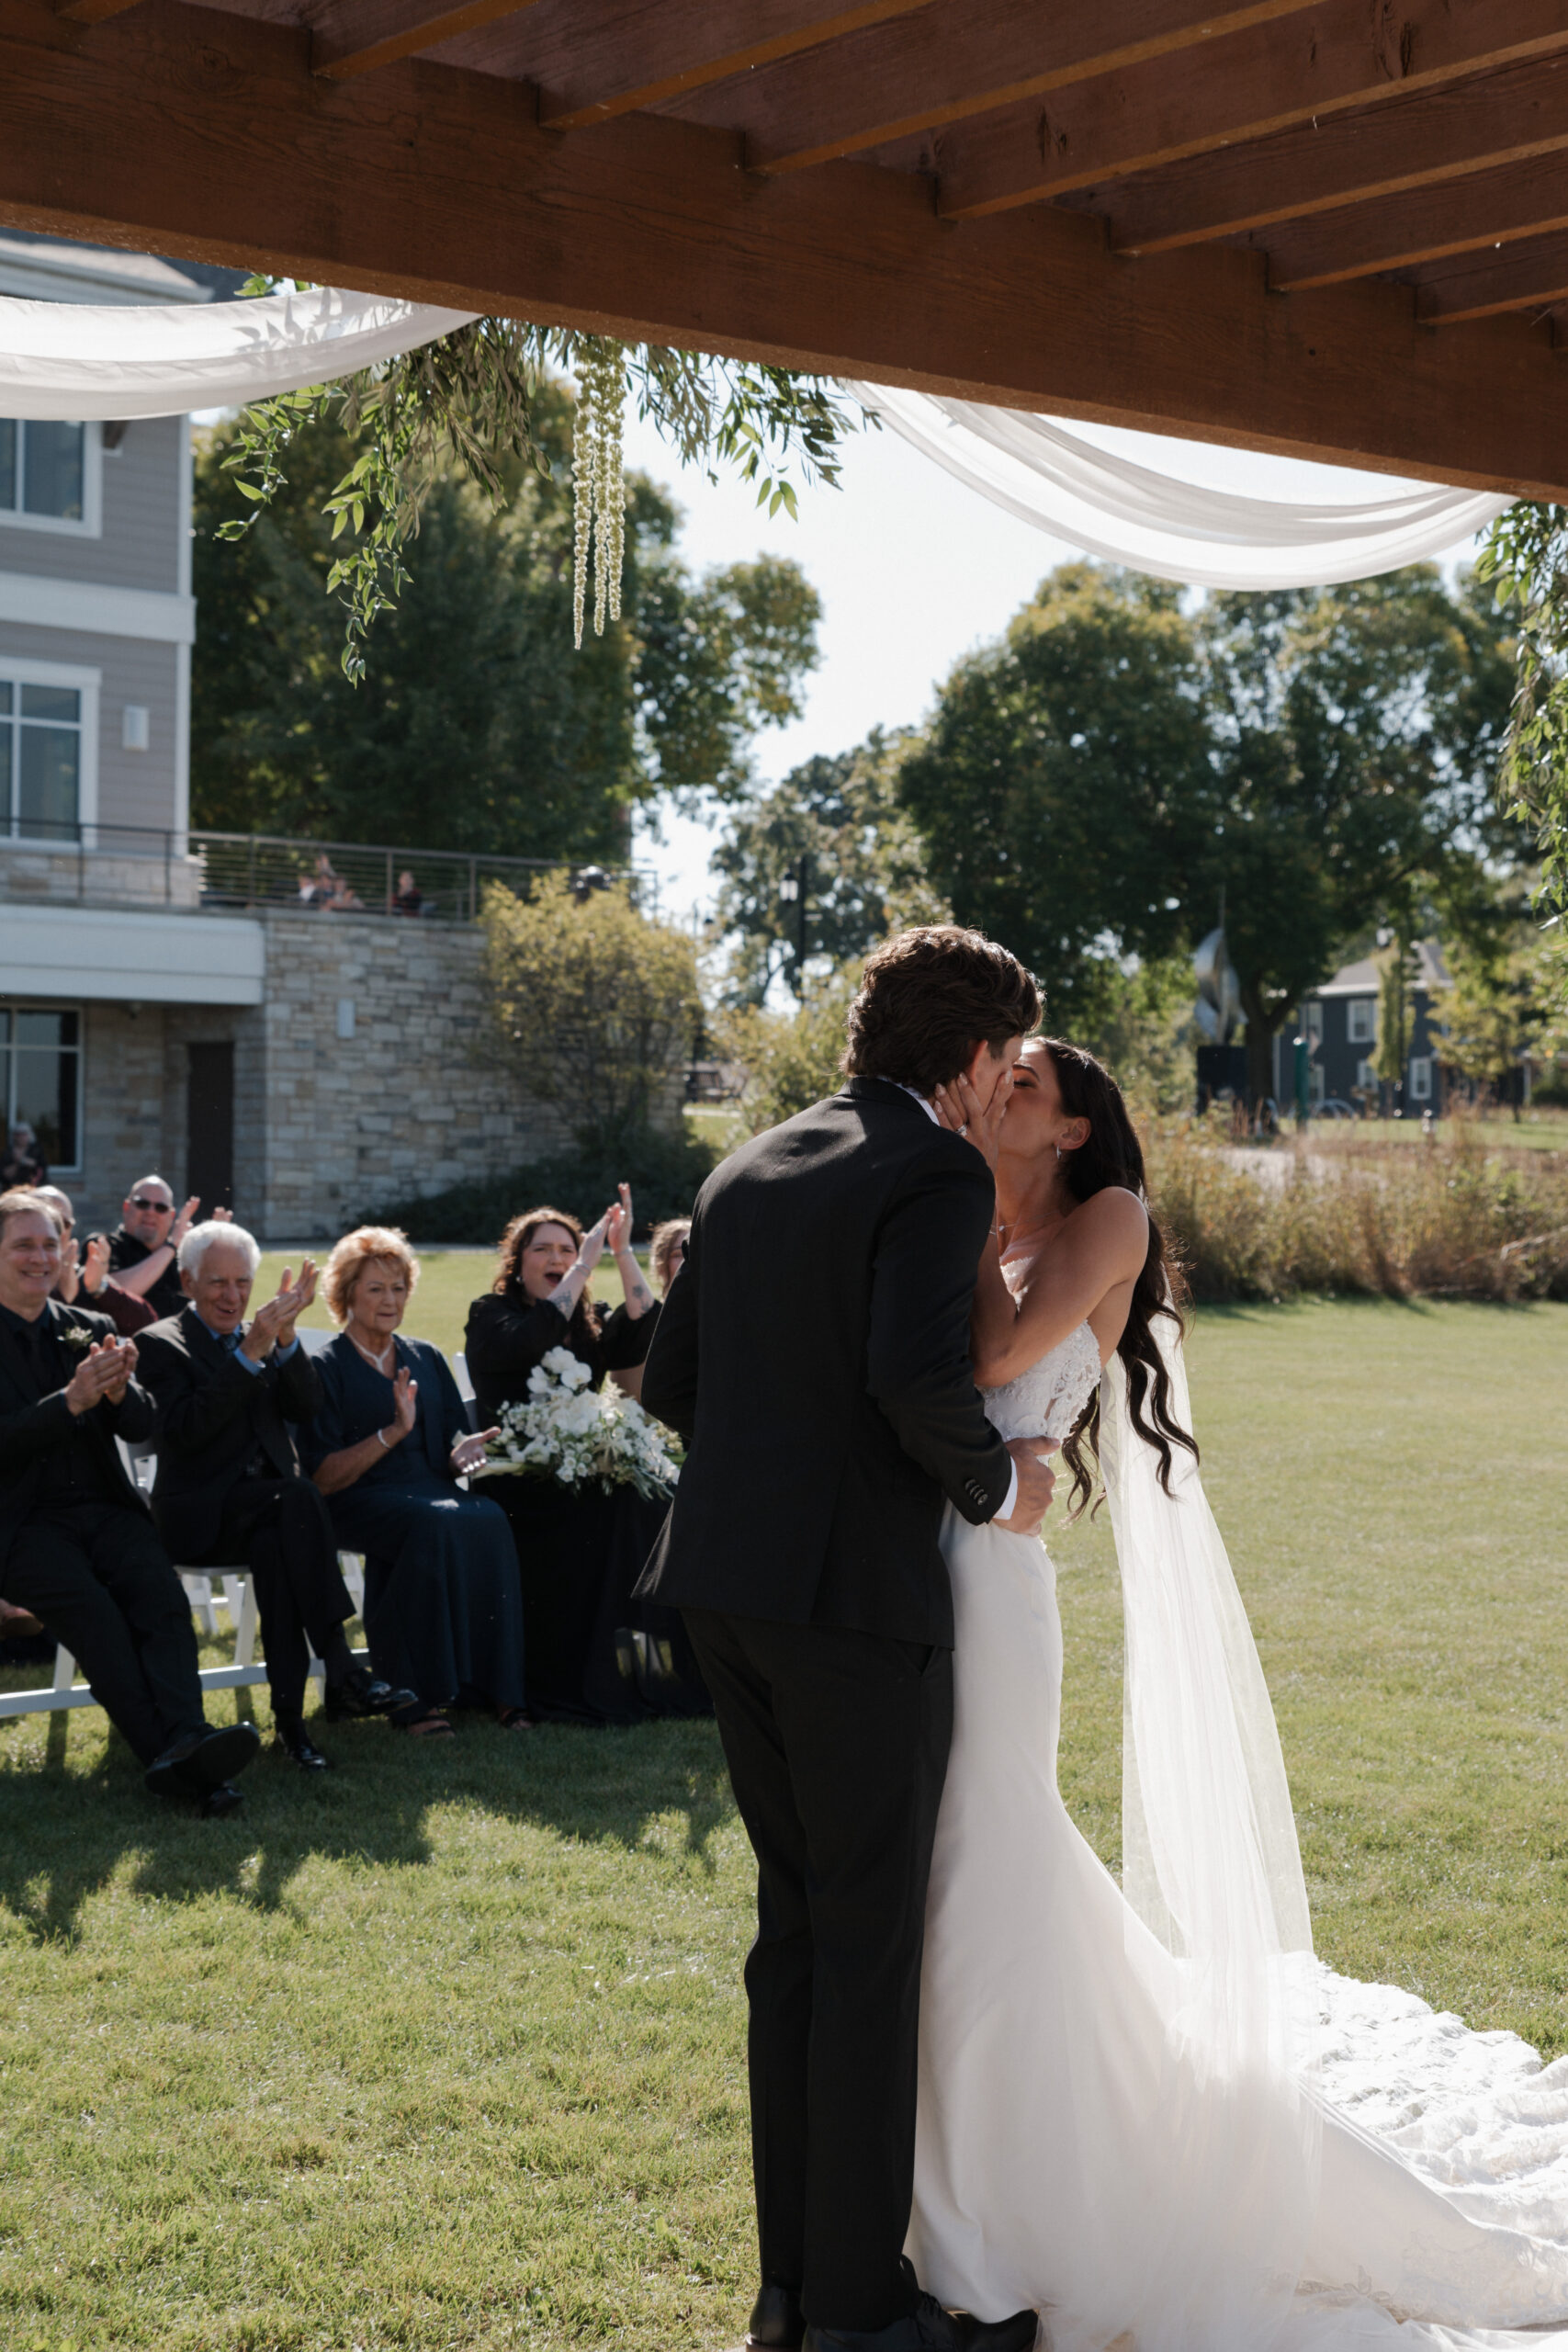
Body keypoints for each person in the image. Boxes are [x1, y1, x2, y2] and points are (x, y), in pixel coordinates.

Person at [914, 1035, 1568, 2352]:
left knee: (991, 1847)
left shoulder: (1105, 1218)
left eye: (1024, 1089)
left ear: (1076, 1129)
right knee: (956, 1861)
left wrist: (974, 1208)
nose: (998, 1095)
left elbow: (988, 1366)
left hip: (990, 1578)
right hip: (925, 1554)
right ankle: (972, 2150)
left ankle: (1033, 2175)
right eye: (996, 1082)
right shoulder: (970, 1208)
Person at [637, 926, 1054, 2352]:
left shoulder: (747, 1162)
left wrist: (776, 1466)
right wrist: (1000, 1488)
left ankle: (789, 2296)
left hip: (722, 1585)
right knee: (867, 1948)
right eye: (1007, 1062)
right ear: (978, 1059)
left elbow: (671, 1377)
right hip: (851, 1606)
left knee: (797, 1938)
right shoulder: (932, 1167)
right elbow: (908, 1375)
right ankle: (862, 2315)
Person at [0, 1187, 259, 1812]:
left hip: (106, 1509)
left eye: (49, 1244)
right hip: (20, 1526)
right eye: (22, 1245)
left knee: (162, 1603)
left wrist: (119, 1394)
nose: (40, 1257)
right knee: (98, 1621)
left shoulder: (91, 1327)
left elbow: (142, 1425)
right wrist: (69, 1402)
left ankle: (186, 1743)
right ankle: (184, 1763)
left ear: (67, 1250)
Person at [137, 1222, 413, 1770]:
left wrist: (285, 1341)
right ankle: (343, 1671)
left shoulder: (260, 1334)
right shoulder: (160, 1342)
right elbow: (186, 1430)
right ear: (187, 1281)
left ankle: (292, 1728)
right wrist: (249, 1353)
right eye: (217, 1283)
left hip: (270, 1514)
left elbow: (307, 1409)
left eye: (243, 1282)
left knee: (281, 1539)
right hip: (198, 1517)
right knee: (297, 1498)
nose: (233, 1296)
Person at [465, 1193, 704, 1722]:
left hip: (577, 1470)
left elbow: (645, 1328)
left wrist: (620, 1253)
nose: (557, 1258)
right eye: (543, 1250)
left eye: (567, 1248)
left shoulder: (588, 1321)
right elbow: (531, 1339)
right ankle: (570, 1679)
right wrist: (581, 1265)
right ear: (517, 1261)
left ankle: (649, 1673)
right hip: (516, 1479)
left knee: (651, 1504)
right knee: (613, 1510)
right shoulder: (492, 1313)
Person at [301, 1227, 528, 1738]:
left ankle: (498, 1690)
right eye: (376, 1288)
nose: (390, 1299)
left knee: (491, 1518)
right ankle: (414, 1701)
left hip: (429, 1493)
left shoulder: (424, 1356)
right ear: (346, 1295)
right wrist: (391, 1433)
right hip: (355, 1501)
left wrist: (462, 1453)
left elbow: (448, 1445)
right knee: (429, 1527)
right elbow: (322, 1476)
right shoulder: (323, 1367)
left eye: (399, 1287)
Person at [95, 1178, 225, 1320]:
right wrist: (172, 1245)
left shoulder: (183, 1259)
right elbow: (112, 1294)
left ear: (172, 1216)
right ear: (126, 1207)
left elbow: (214, 1303)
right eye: (142, 1204)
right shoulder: (102, 1245)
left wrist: (216, 1253)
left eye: (160, 1208)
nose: (151, 1212)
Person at [38, 1184, 154, 1337]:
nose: (52, 1231)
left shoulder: (83, 1276)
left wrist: (99, 1288)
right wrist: (62, 1294)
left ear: (71, 1228)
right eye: (45, 1220)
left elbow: (146, 1323)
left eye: (62, 1223)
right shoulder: (15, 1273)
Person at [614, 1216, 690, 1405]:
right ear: (661, 1264)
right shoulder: (649, 1321)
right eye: (679, 1254)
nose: (690, 1261)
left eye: (697, 1252)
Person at [0, 1123, 44, 1190]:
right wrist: (18, 1162)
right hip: (12, 1189)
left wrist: (22, 1160)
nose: (21, 1137)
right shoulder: (7, 1152)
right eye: (18, 1134)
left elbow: (40, 1168)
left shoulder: (36, 1150)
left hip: (32, 1189)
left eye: (24, 1134)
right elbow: (5, 1174)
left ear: (30, 1135)